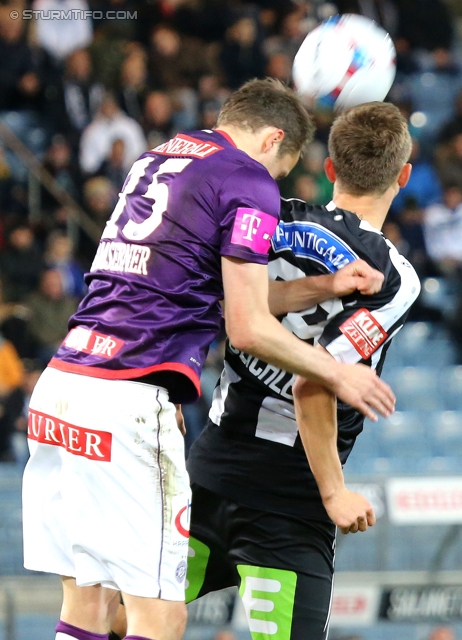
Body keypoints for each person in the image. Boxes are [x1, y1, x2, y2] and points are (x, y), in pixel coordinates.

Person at [22, 79, 394, 640]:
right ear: (272, 140)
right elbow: (246, 329)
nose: (275, 187)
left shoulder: (160, 157)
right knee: (161, 616)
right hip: (128, 396)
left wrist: (327, 284)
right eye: (281, 171)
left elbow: (218, 296)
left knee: (87, 609)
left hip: (63, 387)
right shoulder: (248, 179)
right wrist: (339, 371)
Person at [181, 102, 420, 640]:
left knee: (130, 623)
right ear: (403, 176)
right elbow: (317, 378)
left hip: (209, 473)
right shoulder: (391, 275)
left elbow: (223, 307)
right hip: (289, 504)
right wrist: (334, 492)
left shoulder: (270, 214)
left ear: (330, 168)